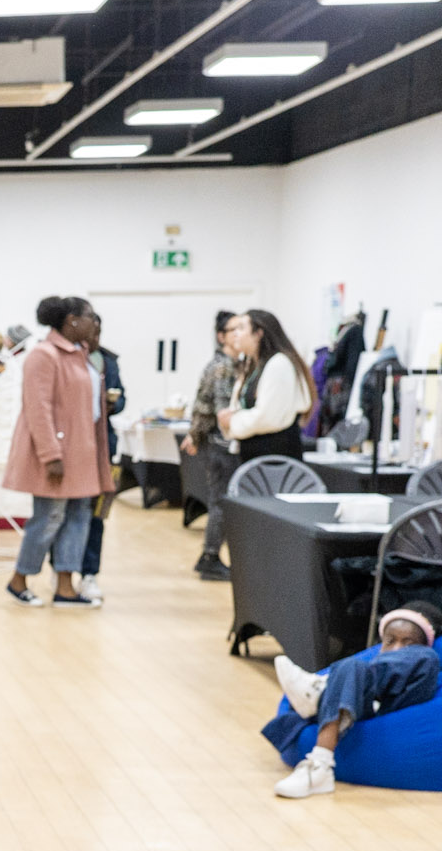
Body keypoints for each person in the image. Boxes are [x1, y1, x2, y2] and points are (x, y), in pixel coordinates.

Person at [267, 603, 441, 797]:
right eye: (389, 642)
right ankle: (318, 764)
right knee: (350, 667)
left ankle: (320, 698)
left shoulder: (426, 660)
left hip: (397, 706)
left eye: (408, 643)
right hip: (361, 710)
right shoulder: (361, 668)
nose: (397, 649)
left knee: (425, 658)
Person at [4, 296, 111, 608]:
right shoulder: (44, 354)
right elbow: (38, 409)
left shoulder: (82, 354)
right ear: (72, 321)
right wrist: (50, 454)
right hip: (57, 452)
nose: (94, 322)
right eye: (89, 316)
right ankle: (19, 579)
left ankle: (66, 586)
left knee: (78, 517)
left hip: (83, 451)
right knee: (49, 517)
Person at [183, 310, 245, 581]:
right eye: (234, 330)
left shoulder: (230, 364)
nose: (239, 334)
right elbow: (222, 412)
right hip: (218, 443)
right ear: (222, 336)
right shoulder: (223, 367)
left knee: (219, 499)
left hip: (213, 440)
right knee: (220, 500)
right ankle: (209, 556)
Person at [67, 318, 125, 603]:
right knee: (66, 511)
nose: (96, 336)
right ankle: (62, 569)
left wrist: (113, 402)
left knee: (97, 513)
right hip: (73, 445)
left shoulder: (109, 361)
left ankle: (90, 573)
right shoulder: (65, 359)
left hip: (104, 447)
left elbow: (122, 397)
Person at [220, 308, 316, 461]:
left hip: (275, 457)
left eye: (241, 328)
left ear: (258, 334)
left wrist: (232, 421)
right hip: (254, 455)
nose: (235, 334)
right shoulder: (252, 365)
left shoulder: (279, 364)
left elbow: (267, 417)